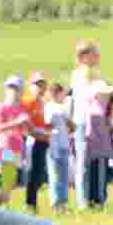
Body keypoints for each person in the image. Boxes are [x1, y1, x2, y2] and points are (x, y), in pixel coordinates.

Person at [71, 41, 100, 209]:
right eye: (94, 53)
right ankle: (83, 202)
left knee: (86, 160)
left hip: (85, 120)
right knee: (83, 161)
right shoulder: (84, 73)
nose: (97, 56)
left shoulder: (86, 73)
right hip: (83, 120)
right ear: (85, 56)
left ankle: (87, 199)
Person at [0, 76, 30, 208]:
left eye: (16, 88)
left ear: (21, 91)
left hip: (17, 148)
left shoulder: (23, 108)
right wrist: (17, 122)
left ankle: (0, 210)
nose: (13, 91)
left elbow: (24, 131)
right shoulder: (1, 107)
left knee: (11, 182)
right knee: (8, 180)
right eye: (10, 88)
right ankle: (2, 210)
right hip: (5, 147)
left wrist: (24, 126)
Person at [19, 71, 50, 214]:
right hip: (31, 139)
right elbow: (25, 123)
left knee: (38, 173)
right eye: (37, 84)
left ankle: (33, 204)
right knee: (32, 173)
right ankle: (30, 204)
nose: (40, 87)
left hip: (42, 139)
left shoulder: (41, 102)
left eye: (42, 84)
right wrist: (36, 134)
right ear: (31, 86)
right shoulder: (27, 101)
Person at [85, 81, 113, 209]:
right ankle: (99, 202)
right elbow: (103, 137)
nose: (108, 97)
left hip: (94, 153)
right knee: (99, 179)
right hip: (99, 153)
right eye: (105, 94)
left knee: (94, 177)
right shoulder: (97, 113)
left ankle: (93, 201)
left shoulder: (93, 110)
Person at [45, 83, 72, 213]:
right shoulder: (49, 107)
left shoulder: (63, 107)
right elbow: (48, 123)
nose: (63, 96)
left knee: (64, 175)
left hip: (64, 144)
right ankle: (56, 204)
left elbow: (71, 126)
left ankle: (63, 203)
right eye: (61, 93)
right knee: (55, 175)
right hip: (54, 145)